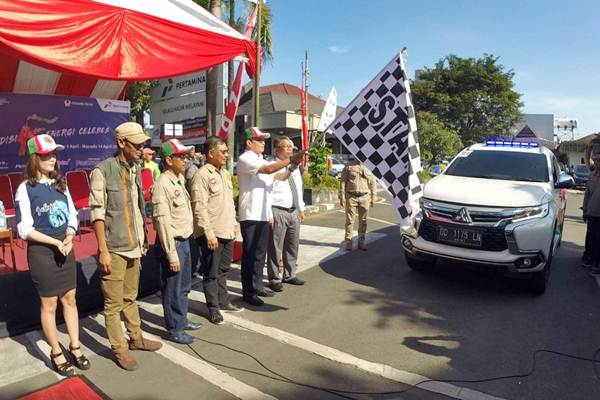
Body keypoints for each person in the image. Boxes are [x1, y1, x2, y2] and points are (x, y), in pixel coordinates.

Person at [15, 134, 90, 377]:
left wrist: (69, 235)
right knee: (49, 304)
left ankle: (75, 347)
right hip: (42, 254)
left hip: (64, 248)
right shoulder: (25, 189)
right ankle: (56, 351)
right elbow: (24, 228)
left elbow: (72, 215)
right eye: (46, 155)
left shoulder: (61, 184)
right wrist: (55, 242)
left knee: (70, 299)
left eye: (54, 154)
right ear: (35, 158)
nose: (52, 159)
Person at [89, 122, 162, 371]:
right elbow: (98, 214)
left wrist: (144, 240)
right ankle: (119, 349)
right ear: (121, 143)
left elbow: (138, 209)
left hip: (134, 245)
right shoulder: (102, 171)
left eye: (144, 145)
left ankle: (136, 338)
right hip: (115, 248)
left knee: (131, 297)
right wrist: (103, 251)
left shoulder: (135, 169)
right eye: (138, 145)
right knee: (113, 305)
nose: (143, 149)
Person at [236, 127, 306, 306]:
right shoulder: (246, 159)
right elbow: (268, 170)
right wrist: (290, 159)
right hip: (251, 214)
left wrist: (294, 164)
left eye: (263, 140)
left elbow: (279, 177)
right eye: (259, 140)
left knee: (260, 255)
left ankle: (257, 286)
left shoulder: (260, 159)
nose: (263, 143)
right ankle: (248, 291)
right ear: (249, 143)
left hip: (263, 214)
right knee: (251, 255)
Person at [152, 139, 202, 343]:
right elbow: (163, 223)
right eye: (180, 156)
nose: (185, 159)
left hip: (185, 241)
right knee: (172, 289)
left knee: (184, 286)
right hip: (173, 244)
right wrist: (171, 254)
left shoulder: (178, 179)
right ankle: (174, 328)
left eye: (185, 155)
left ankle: (182, 320)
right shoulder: (162, 184)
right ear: (168, 160)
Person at [190, 136, 243, 324]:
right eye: (223, 152)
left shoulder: (225, 173)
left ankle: (223, 300)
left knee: (224, 269)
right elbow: (199, 207)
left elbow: (229, 203)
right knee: (211, 272)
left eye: (227, 152)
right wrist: (208, 233)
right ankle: (213, 308)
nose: (227, 155)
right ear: (211, 153)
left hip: (227, 229)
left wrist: (234, 225)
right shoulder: (202, 175)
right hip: (212, 233)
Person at [266, 136, 306, 292]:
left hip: (293, 210)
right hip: (278, 210)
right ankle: (274, 277)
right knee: (275, 247)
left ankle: (289, 274)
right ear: (277, 149)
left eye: (292, 147)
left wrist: (301, 208)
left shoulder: (295, 167)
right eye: (286, 146)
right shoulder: (272, 166)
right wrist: (270, 213)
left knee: (292, 245)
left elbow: (298, 189)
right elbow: (270, 190)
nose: (290, 149)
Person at [339, 159, 377, 251]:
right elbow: (343, 182)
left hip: (365, 197)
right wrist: (342, 196)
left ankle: (361, 241)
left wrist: (373, 196)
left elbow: (373, 182)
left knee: (363, 221)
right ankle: (349, 241)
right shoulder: (348, 166)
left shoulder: (369, 167)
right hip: (351, 196)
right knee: (350, 220)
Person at [583, 135, 600, 272]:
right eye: (596, 161)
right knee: (591, 237)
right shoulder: (593, 174)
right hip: (592, 213)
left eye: (599, 160)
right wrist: (589, 148)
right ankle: (589, 258)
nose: (597, 163)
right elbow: (587, 194)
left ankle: (597, 261)